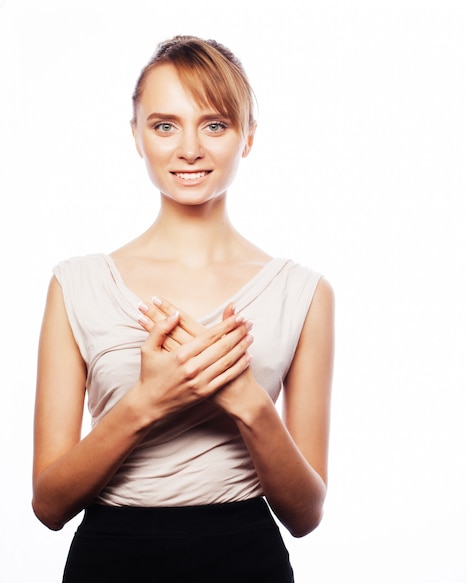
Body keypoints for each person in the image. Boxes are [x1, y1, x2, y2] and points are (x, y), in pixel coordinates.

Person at [32, 36, 334, 582]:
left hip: (247, 559)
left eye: (214, 124)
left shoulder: (303, 292)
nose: (189, 148)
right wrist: (149, 401)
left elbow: (306, 514)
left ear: (247, 138)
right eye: (165, 125)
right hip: (111, 559)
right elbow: (49, 506)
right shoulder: (75, 284)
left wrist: (246, 400)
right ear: (137, 136)